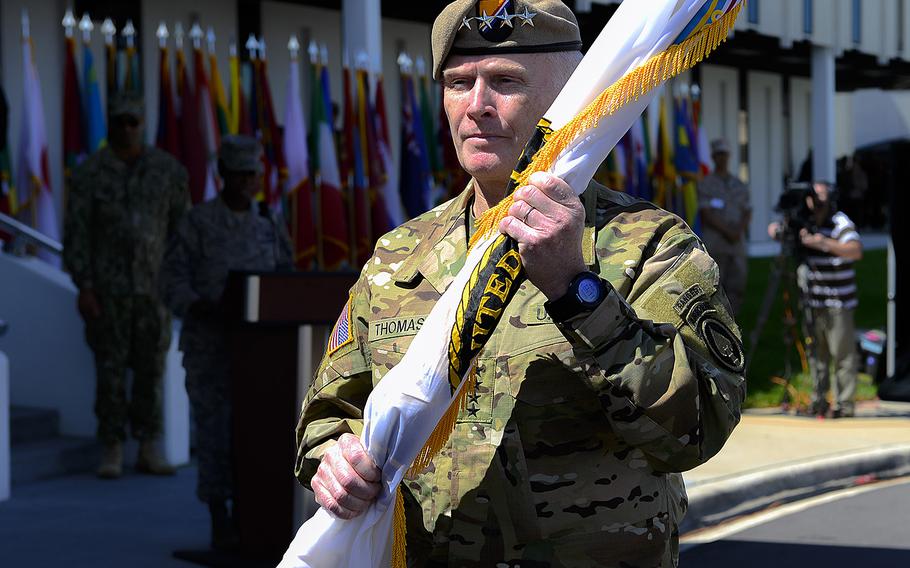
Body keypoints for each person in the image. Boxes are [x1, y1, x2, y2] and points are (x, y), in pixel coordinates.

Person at [293, 1, 745, 566]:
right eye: (459, 83)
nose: (476, 106)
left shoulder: (649, 245)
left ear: (567, 99)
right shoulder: (400, 256)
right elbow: (331, 411)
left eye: (505, 82)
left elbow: (696, 429)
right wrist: (333, 459)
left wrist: (576, 289)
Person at [159, 135, 293, 549]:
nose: (243, 183)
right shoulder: (197, 222)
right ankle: (220, 514)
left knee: (260, 432)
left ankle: (255, 515)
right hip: (210, 349)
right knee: (215, 434)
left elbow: (287, 276)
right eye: (235, 175)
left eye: (250, 175)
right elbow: (171, 280)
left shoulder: (269, 222)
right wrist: (200, 306)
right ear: (222, 176)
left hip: (261, 353)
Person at [63, 93, 188, 479]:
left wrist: (176, 284)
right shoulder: (90, 173)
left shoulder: (167, 170)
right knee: (111, 371)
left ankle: (148, 446)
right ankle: (112, 447)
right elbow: (77, 233)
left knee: (151, 370)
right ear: (111, 125)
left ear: (142, 124)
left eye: (134, 121)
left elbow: (181, 231)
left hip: (154, 291)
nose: (127, 128)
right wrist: (84, 285)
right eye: (120, 122)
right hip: (108, 291)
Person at [768, 182, 862, 418]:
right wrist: (784, 230)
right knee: (816, 355)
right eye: (812, 197)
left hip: (839, 302)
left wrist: (823, 243)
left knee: (841, 355)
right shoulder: (804, 220)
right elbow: (775, 230)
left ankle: (844, 405)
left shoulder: (840, 222)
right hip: (813, 302)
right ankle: (819, 400)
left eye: (820, 198)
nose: (815, 203)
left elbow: (855, 250)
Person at [697, 138, 751, 315]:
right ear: (713, 157)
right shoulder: (706, 184)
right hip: (717, 242)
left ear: (729, 156)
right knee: (715, 284)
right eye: (718, 154)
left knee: (737, 284)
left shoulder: (739, 184)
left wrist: (738, 231)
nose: (722, 158)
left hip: (736, 243)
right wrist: (728, 231)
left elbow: (747, 210)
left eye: (725, 154)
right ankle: (716, 320)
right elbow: (706, 213)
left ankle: (734, 319)